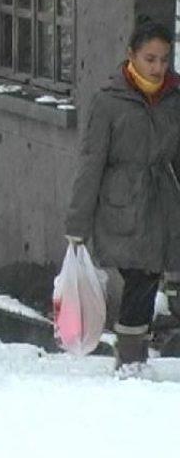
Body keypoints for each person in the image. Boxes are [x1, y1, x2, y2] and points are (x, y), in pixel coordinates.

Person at [65, 20, 180, 376]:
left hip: (162, 202)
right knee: (142, 277)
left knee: (148, 277)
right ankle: (130, 359)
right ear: (131, 56)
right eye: (150, 59)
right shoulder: (109, 101)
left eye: (164, 59)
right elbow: (91, 162)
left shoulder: (174, 98)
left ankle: (134, 354)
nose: (158, 67)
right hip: (122, 205)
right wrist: (77, 223)